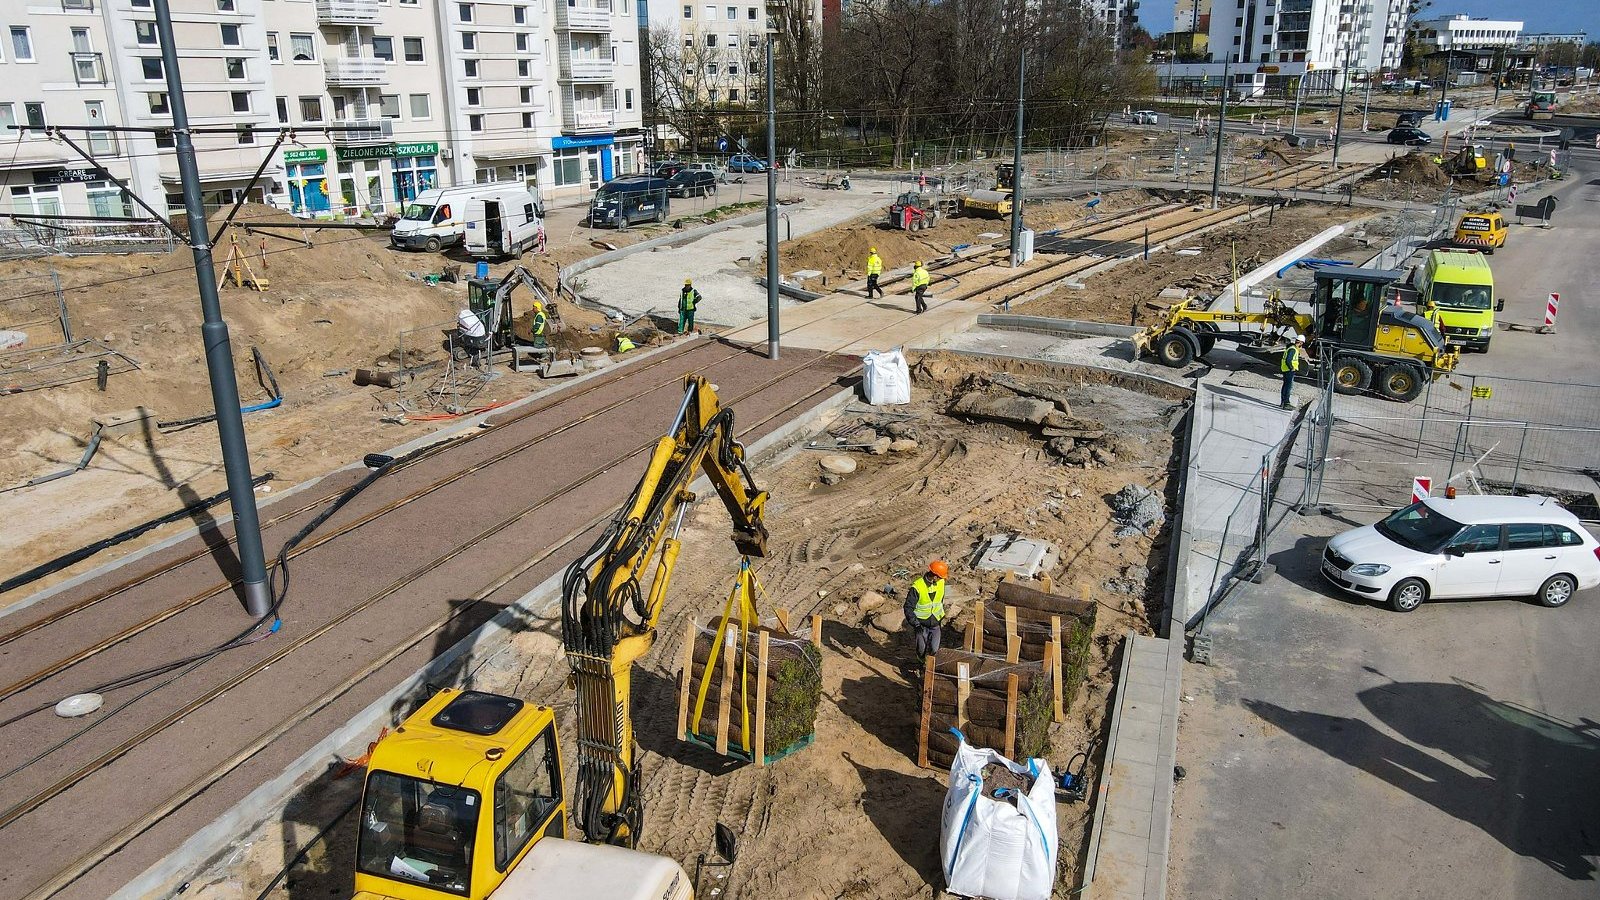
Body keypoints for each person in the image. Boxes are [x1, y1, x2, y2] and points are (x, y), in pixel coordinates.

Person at [904, 559, 949, 660]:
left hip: (935, 623)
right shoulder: (917, 587)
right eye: (941, 577)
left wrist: (940, 617)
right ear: (935, 576)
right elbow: (908, 607)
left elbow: (939, 600)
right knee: (921, 649)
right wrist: (915, 624)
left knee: (934, 649)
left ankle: (930, 667)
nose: (943, 579)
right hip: (921, 625)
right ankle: (921, 665)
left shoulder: (941, 583)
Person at [1280, 334, 1304, 409]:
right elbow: (1288, 360)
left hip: (1286, 369)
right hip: (1289, 370)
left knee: (1285, 386)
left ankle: (1283, 402)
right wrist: (1292, 368)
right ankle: (1286, 403)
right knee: (1288, 387)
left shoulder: (1291, 348)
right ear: (1301, 343)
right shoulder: (1293, 349)